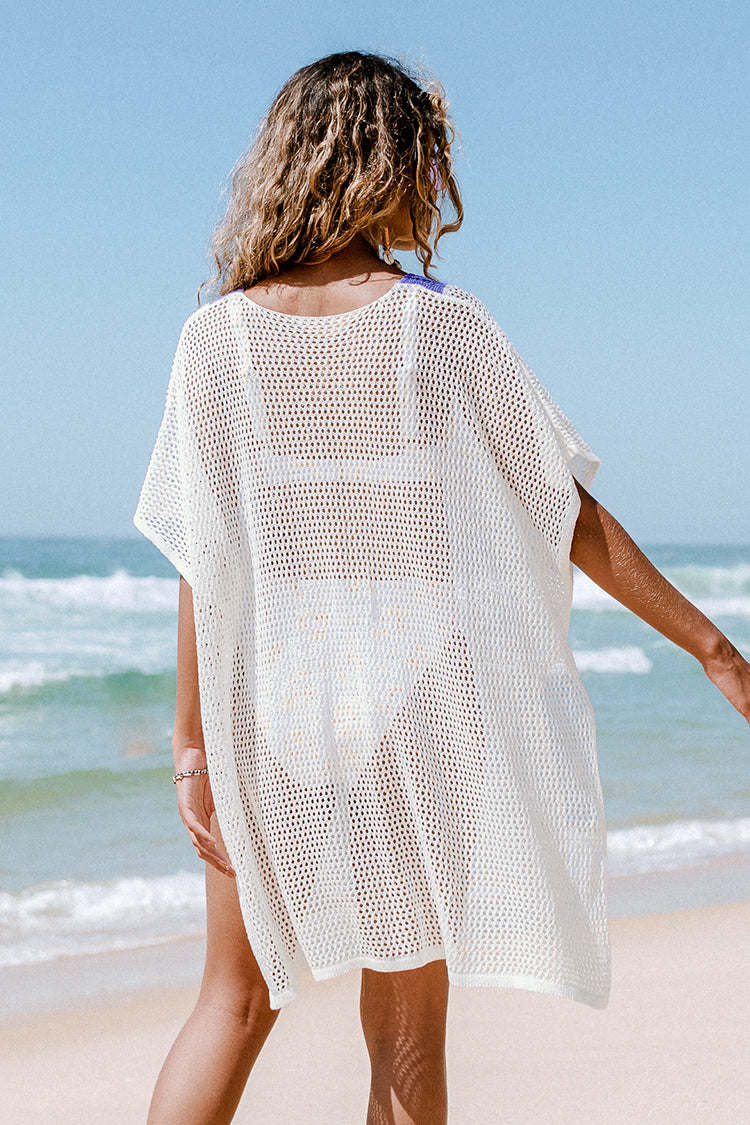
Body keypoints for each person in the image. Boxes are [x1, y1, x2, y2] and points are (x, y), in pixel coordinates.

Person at [134, 50, 750, 1125]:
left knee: (233, 1001)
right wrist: (713, 647)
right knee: (407, 1022)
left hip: (273, 705)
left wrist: (193, 745)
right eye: (426, 160)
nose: (434, 185)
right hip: (409, 698)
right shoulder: (441, 325)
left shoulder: (214, 342)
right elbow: (563, 512)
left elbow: (206, 561)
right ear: (388, 164)